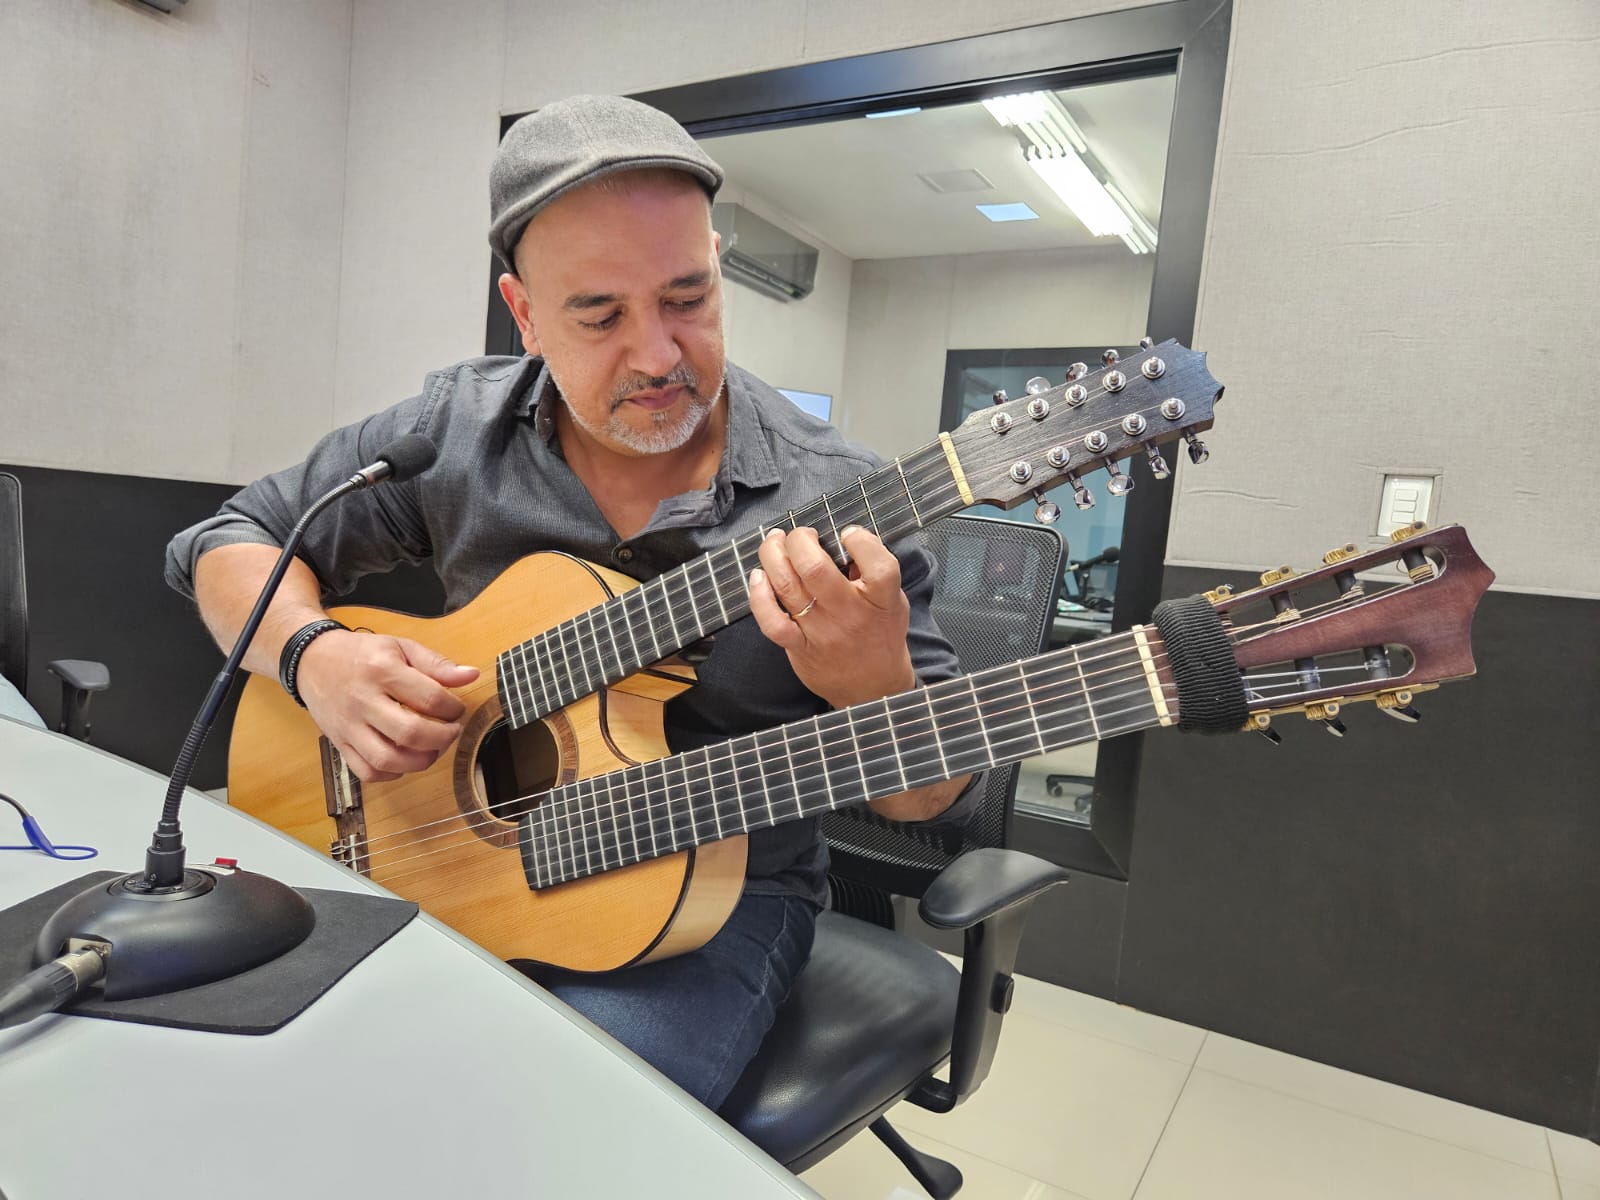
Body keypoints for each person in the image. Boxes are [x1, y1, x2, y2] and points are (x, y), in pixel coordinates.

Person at [164, 94, 977, 1111]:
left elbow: (927, 801)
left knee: (539, 1135)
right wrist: (315, 658)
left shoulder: (836, 500)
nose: (657, 356)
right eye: (599, 314)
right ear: (525, 312)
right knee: (259, 1076)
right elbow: (230, 540)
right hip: (424, 850)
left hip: (706, 905)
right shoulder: (455, 432)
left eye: (689, 298)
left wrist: (874, 684)